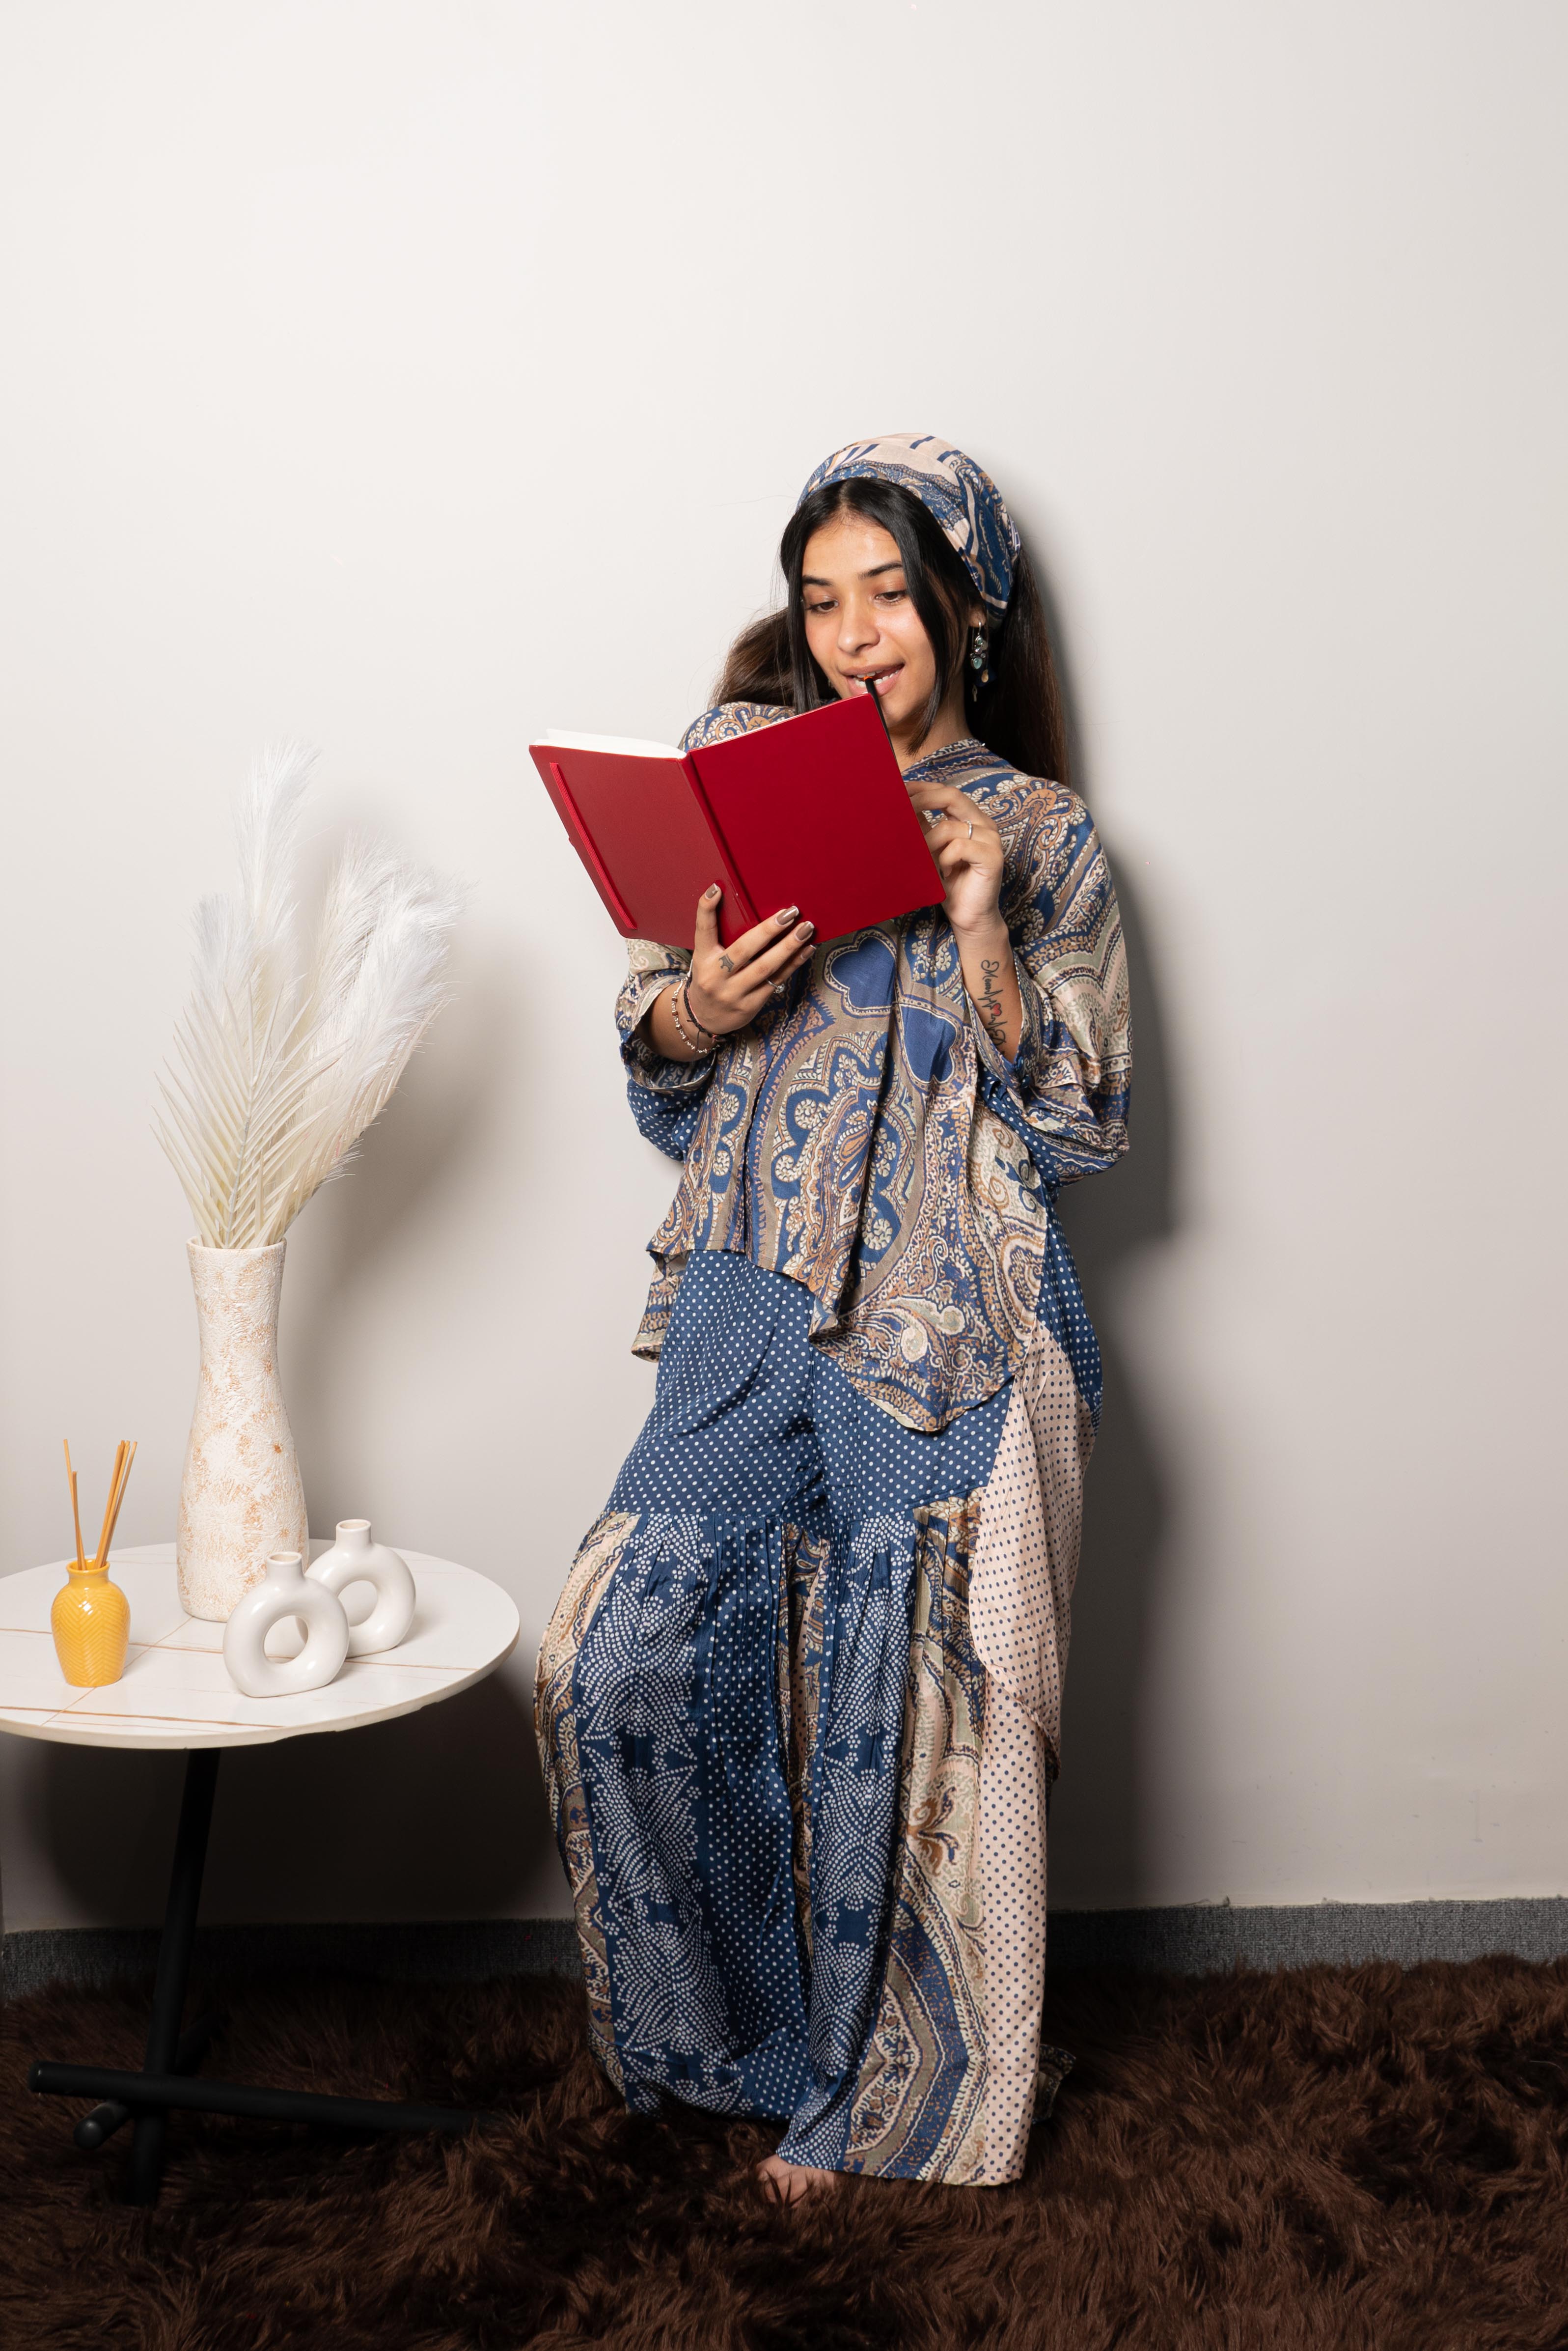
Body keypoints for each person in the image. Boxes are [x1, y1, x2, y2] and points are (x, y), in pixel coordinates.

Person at [534, 433, 1130, 2199]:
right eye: (820, 600)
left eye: (889, 595)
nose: (854, 634)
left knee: (912, 1690)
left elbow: (1086, 1121)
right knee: (615, 1652)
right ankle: (750, 2058)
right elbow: (656, 1057)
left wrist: (984, 925)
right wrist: (698, 1007)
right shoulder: (738, 766)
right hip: (747, 1278)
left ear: (965, 612)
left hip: (950, 1302)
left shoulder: (1042, 832)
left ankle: (894, 2107)